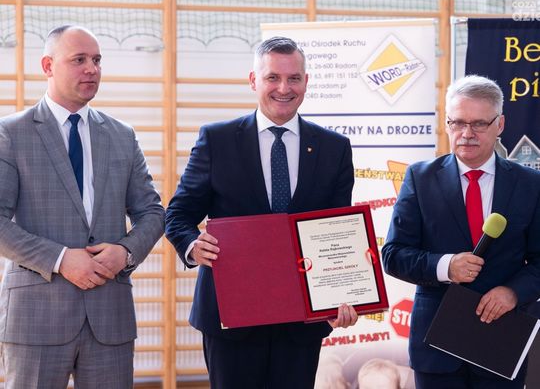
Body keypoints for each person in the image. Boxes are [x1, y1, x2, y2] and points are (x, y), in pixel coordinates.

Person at [165, 36, 358, 388]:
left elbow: (337, 232)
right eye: (273, 78)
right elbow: (177, 215)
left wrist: (340, 295)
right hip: (231, 317)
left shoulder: (335, 148)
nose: (284, 88)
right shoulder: (217, 140)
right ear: (254, 80)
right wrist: (193, 245)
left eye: (294, 78)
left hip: (302, 322)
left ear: (306, 82)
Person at [0, 25, 164, 388]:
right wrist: (60, 259)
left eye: (97, 60)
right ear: (48, 66)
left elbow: (152, 213)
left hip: (110, 317)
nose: (92, 69)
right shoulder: (11, 133)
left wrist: (125, 252)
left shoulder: (122, 136)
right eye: (79, 60)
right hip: (35, 318)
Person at [382, 75, 540, 388]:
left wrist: (513, 292)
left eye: (479, 124)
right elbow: (393, 255)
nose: (466, 134)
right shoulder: (420, 178)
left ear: (500, 124)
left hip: (501, 341)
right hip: (436, 347)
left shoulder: (530, 184)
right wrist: (446, 266)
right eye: (457, 123)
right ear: (447, 123)